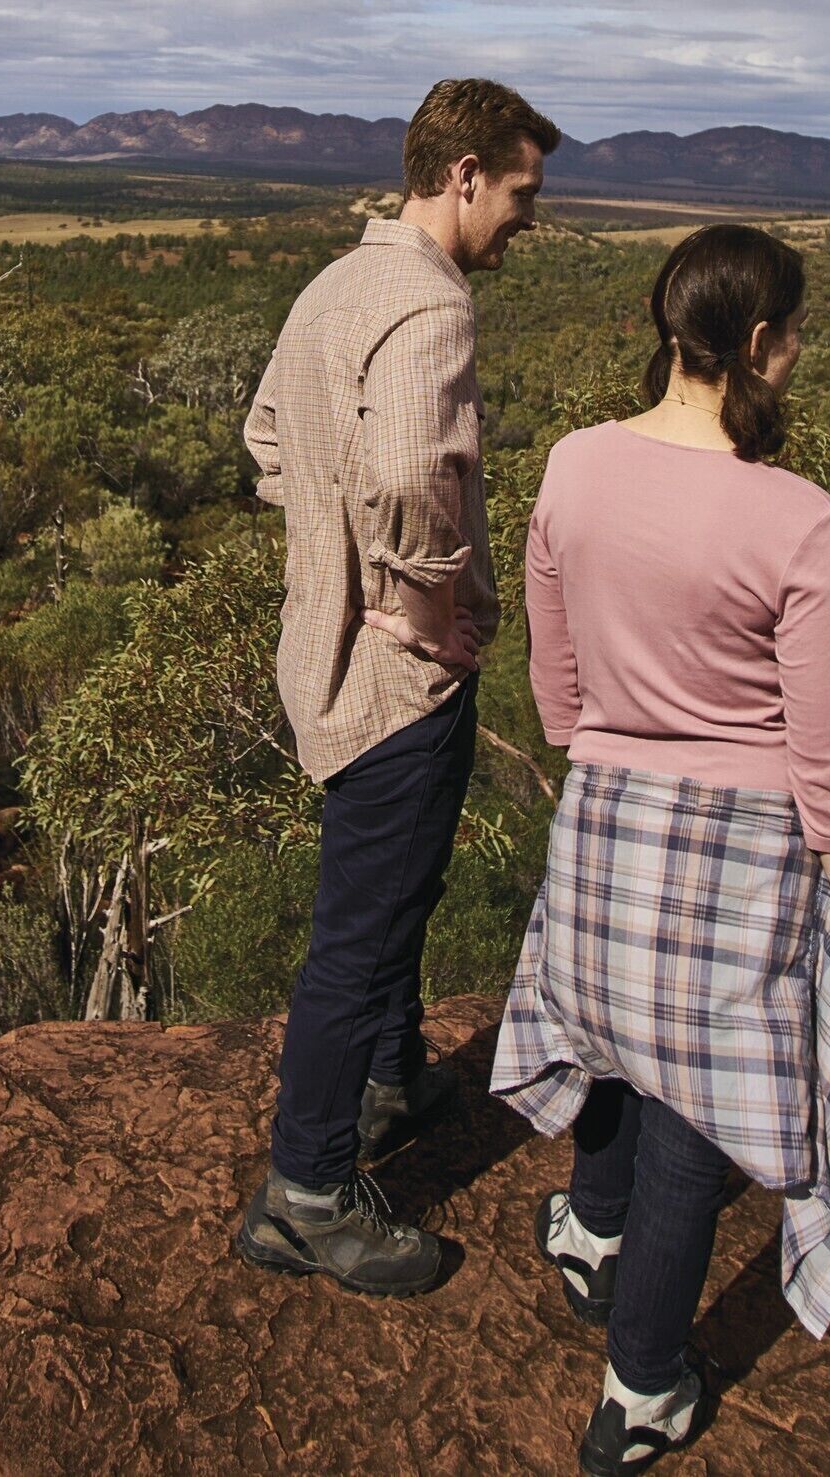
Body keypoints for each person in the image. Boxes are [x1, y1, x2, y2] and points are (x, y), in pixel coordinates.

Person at [489, 225, 830, 1475]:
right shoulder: (798, 518)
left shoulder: (573, 463)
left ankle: (589, 1227)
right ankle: (643, 1382)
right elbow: (822, 736)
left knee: (611, 1025)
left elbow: (550, 663)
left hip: (607, 800)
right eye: (798, 334)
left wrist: (591, 747)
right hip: (745, 835)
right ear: (764, 343)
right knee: (696, 1103)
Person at [232, 76, 561, 1297]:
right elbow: (412, 473)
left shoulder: (335, 283)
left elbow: (269, 439)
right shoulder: (428, 308)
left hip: (327, 657)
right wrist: (420, 601)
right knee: (358, 929)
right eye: (521, 189)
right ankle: (307, 1194)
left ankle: (386, 1079)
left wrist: (325, 543)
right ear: (464, 175)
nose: (530, 214)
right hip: (394, 677)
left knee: (393, 890)